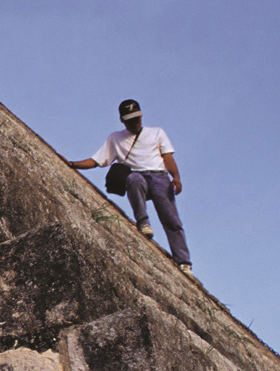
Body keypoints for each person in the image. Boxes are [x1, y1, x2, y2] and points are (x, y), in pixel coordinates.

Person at [64, 99, 191, 273]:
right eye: (130, 120)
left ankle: (184, 262)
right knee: (133, 179)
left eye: (137, 118)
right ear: (122, 120)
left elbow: (167, 157)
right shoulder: (116, 138)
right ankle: (143, 222)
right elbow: (97, 160)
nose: (135, 123)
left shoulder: (157, 133)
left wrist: (175, 177)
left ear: (141, 116)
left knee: (171, 219)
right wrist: (73, 164)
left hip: (159, 176)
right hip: (138, 177)